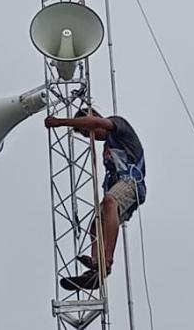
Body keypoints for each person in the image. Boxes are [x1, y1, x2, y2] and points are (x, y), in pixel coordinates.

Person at [44, 108, 146, 291]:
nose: (90, 136)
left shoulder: (118, 125)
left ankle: (106, 260)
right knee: (96, 226)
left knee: (109, 202)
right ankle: (96, 269)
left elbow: (97, 124)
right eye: (85, 135)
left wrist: (61, 122)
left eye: (88, 132)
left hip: (131, 183)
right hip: (120, 186)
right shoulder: (107, 146)